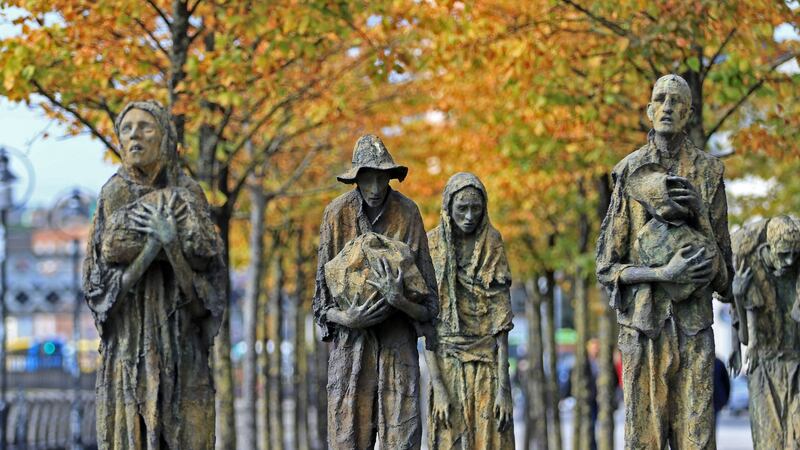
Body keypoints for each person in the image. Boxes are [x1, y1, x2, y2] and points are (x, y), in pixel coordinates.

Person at [595, 74, 733, 449]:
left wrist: (699, 214)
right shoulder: (628, 172)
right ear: (650, 110)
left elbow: (726, 280)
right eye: (661, 99)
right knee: (645, 439)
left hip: (693, 327)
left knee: (697, 439)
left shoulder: (710, 173)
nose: (668, 107)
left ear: (688, 114)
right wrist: (663, 273)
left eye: (677, 101)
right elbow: (606, 268)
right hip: (644, 327)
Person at [83, 101, 226, 449]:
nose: (134, 135)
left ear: (165, 137)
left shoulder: (189, 193)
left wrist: (172, 247)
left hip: (180, 340)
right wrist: (152, 249)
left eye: (145, 126)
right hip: (130, 341)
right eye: (127, 128)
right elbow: (99, 285)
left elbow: (203, 289)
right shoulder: (113, 193)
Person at [313, 134, 438, 450]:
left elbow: (431, 306)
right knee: (347, 439)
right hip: (350, 348)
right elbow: (320, 302)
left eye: (381, 178)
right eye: (367, 179)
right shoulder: (335, 214)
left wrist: (401, 301)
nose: (375, 188)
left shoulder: (408, 213)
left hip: (398, 348)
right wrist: (348, 318)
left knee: (402, 440)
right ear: (356, 179)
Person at [424, 172, 515, 449]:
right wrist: (438, 387)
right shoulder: (433, 245)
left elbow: (501, 322)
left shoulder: (492, 242)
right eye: (462, 208)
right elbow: (427, 324)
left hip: (487, 367)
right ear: (448, 208)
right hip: (447, 364)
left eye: (476, 208)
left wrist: (504, 390)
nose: (469, 216)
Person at [731, 215, 800, 448]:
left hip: (796, 365)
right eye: (783, 254)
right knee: (769, 441)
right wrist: (739, 298)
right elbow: (746, 337)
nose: (790, 261)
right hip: (764, 367)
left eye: (794, 253)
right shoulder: (751, 269)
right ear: (769, 246)